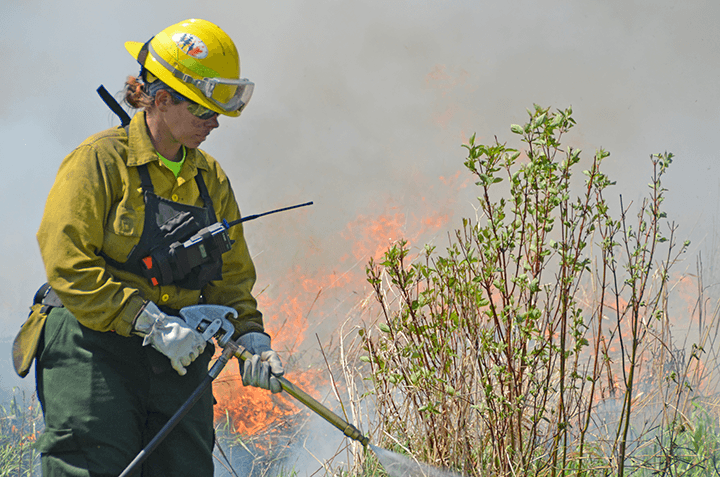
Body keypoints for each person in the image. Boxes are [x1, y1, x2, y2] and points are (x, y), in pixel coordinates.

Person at [27, 18, 284, 476]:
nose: (214, 123)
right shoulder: (100, 161)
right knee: (90, 466)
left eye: (217, 112)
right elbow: (68, 264)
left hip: (179, 356)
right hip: (93, 345)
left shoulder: (210, 178)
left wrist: (251, 335)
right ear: (161, 101)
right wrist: (149, 323)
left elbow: (232, 276)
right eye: (203, 111)